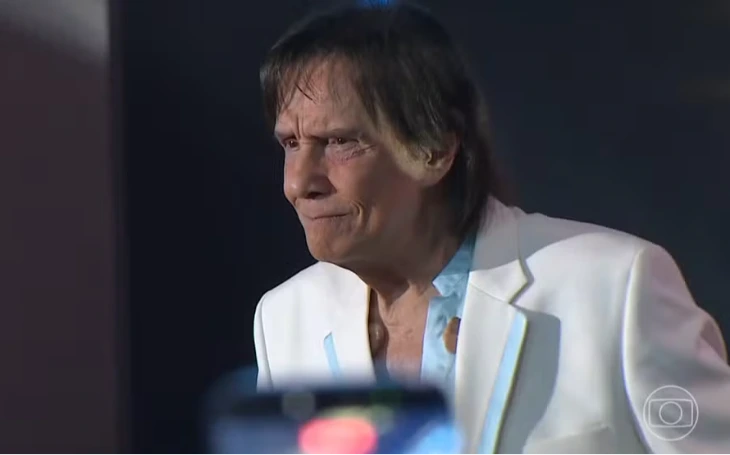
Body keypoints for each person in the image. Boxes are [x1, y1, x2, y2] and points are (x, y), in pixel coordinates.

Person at [252, 3, 730, 454]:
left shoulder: (617, 287)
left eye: (339, 141)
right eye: (291, 144)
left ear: (434, 151)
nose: (298, 183)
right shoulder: (284, 319)